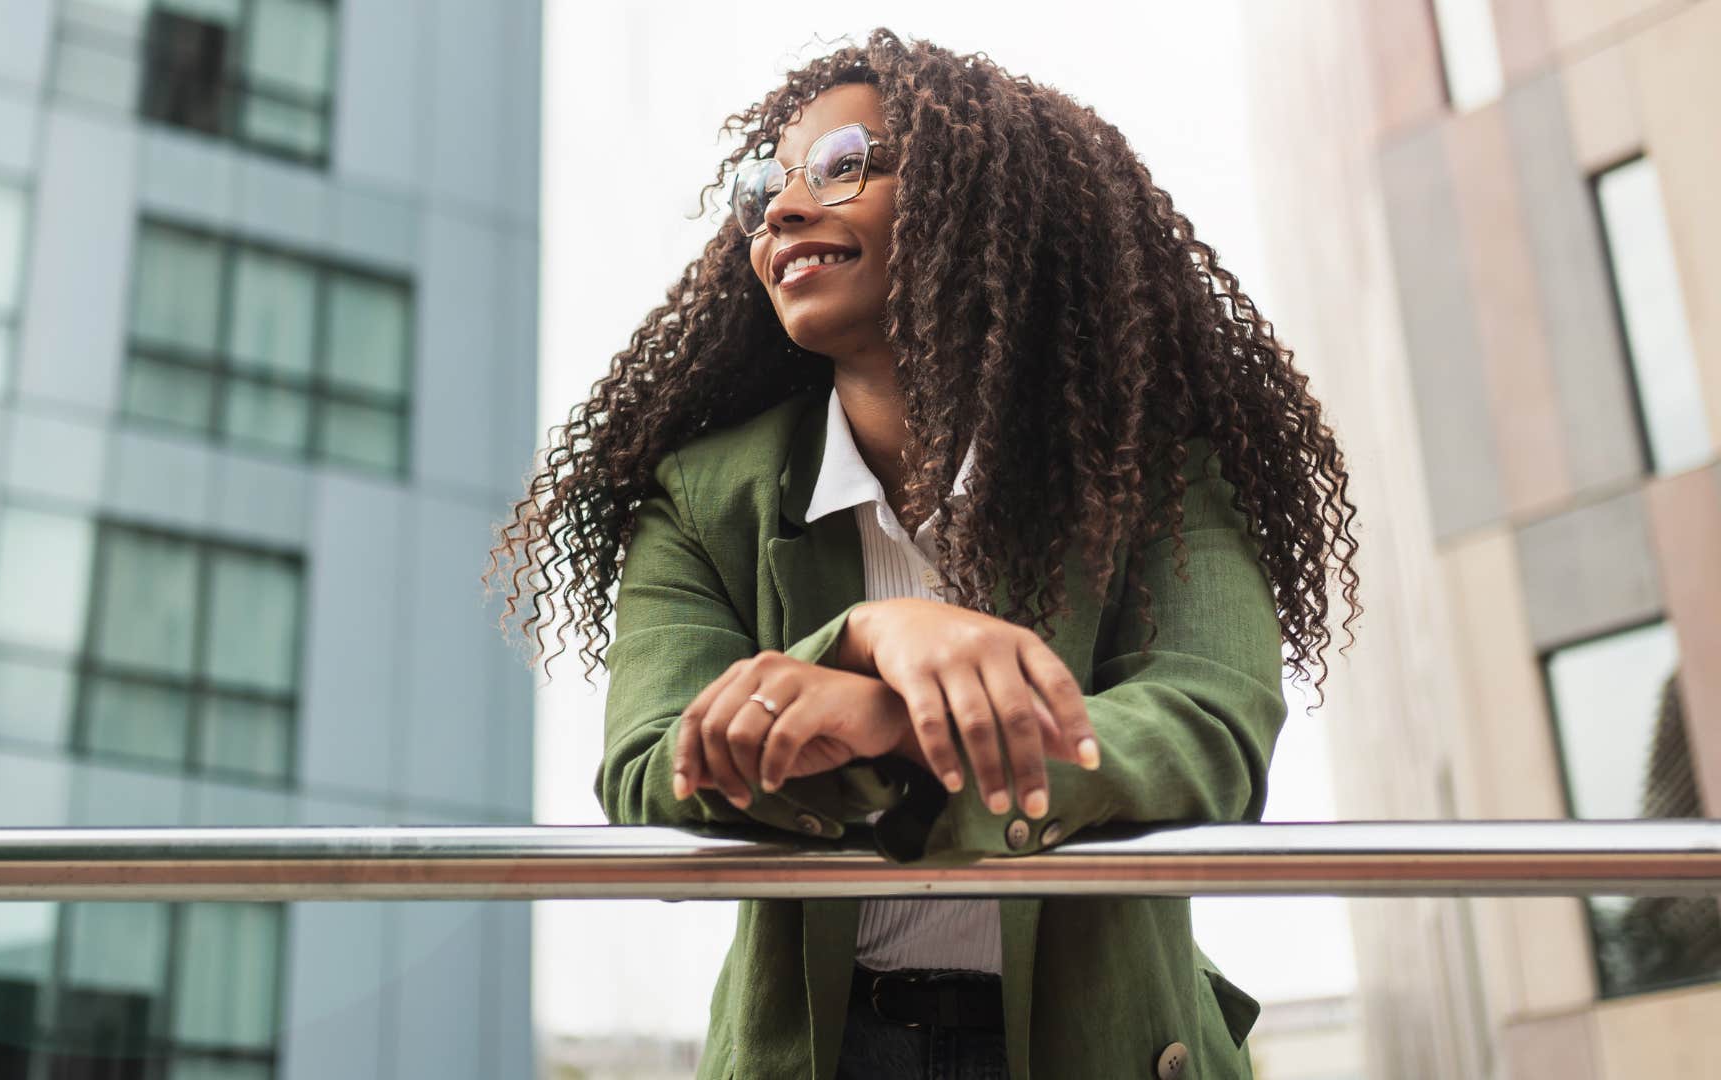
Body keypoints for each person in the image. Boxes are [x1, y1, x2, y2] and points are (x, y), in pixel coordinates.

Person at [489, 28, 1362, 1080]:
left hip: (1102, 1051)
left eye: (844, 165)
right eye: (765, 185)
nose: (780, 209)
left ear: (978, 204)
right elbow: (647, 777)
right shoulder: (699, 498)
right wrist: (866, 636)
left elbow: (1205, 735)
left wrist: (894, 726)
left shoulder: (1151, 474)